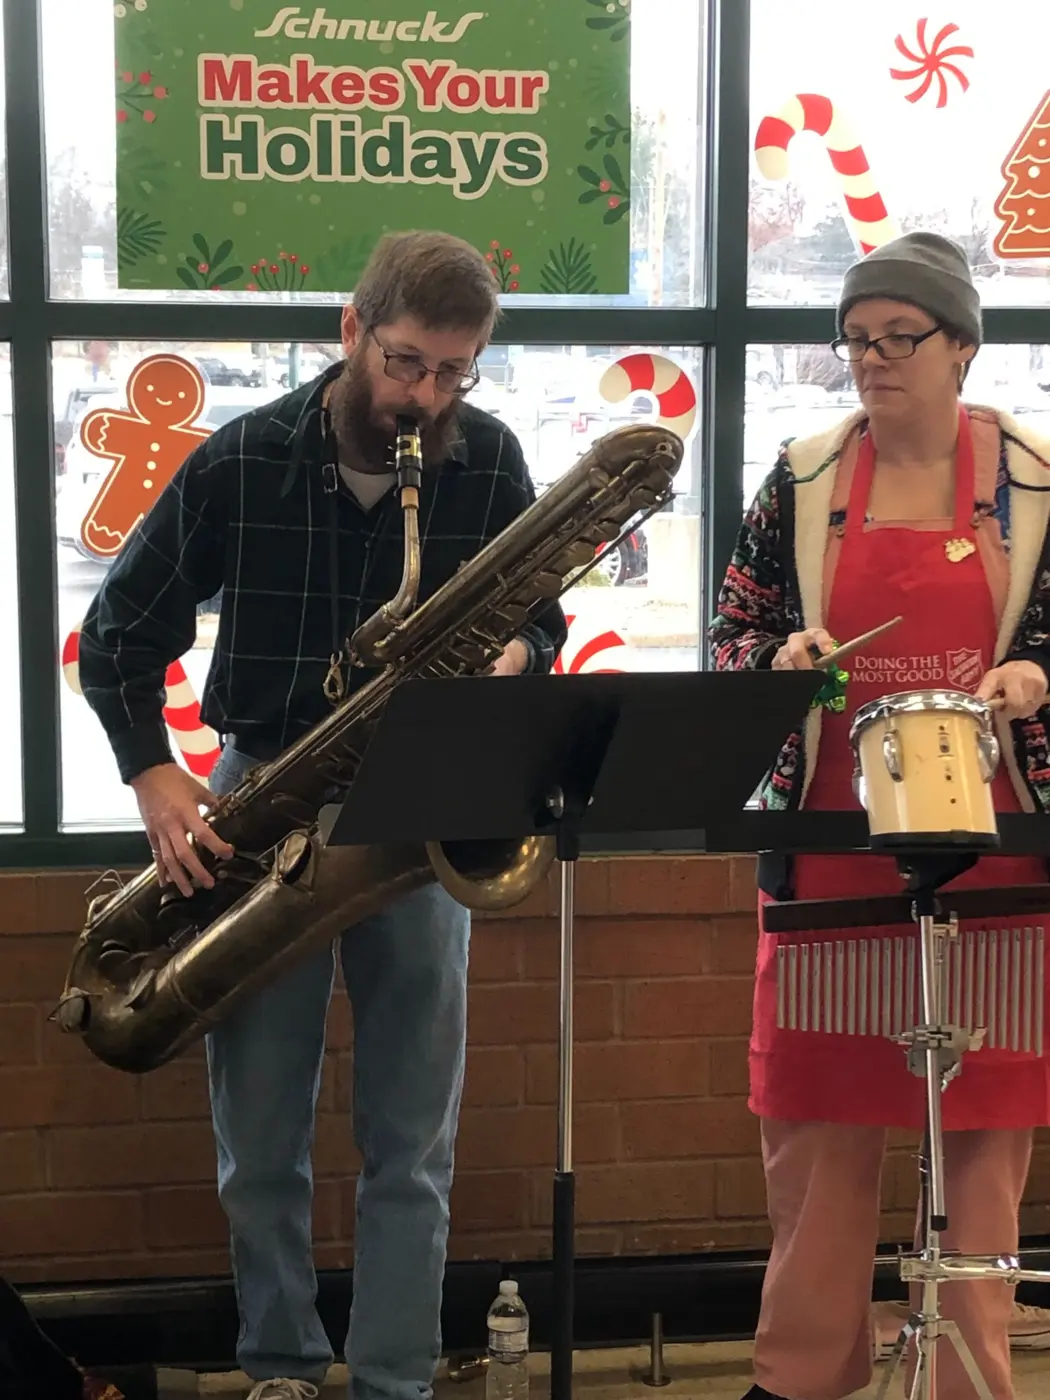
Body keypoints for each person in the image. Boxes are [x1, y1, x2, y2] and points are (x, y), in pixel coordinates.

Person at [78, 230, 568, 1400]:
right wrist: (157, 775)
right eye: (407, 364)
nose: (427, 398)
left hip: (422, 800)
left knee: (415, 1142)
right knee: (261, 1138)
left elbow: (539, 620)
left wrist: (509, 653)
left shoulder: (487, 457)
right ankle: (285, 1367)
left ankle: (395, 1378)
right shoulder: (242, 455)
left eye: (456, 373)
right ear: (350, 329)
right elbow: (118, 635)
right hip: (264, 794)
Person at [710, 230, 1050, 1400]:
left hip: (997, 850)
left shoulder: (1039, 486)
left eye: (899, 337)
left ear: (962, 345)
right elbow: (733, 633)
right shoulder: (803, 478)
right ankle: (801, 1373)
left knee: (984, 1142)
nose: (871, 359)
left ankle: (971, 1377)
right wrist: (778, 657)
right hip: (831, 844)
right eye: (855, 338)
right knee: (816, 1134)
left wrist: (1035, 677)